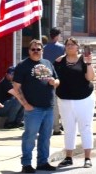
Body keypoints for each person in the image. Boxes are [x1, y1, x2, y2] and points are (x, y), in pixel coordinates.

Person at [13, 39, 60, 173]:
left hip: (49, 107)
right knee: (30, 137)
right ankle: (26, 164)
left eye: (38, 49)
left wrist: (54, 82)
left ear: (42, 51)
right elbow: (16, 87)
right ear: (29, 51)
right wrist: (25, 104)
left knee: (46, 137)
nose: (35, 51)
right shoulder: (23, 65)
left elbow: (57, 79)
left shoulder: (48, 63)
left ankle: (42, 162)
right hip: (33, 109)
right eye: (33, 49)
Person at [54, 37, 95, 169]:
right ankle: (68, 157)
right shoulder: (59, 61)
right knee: (68, 128)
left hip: (84, 99)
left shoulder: (84, 60)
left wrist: (89, 64)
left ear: (78, 47)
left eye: (73, 44)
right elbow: (55, 78)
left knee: (86, 127)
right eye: (68, 44)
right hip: (65, 99)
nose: (70, 46)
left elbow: (90, 78)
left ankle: (87, 157)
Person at [42, 27, 65, 135]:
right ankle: (58, 126)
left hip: (46, 78)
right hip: (60, 78)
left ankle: (53, 126)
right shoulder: (62, 48)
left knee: (51, 103)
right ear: (57, 35)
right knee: (60, 103)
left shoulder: (44, 48)